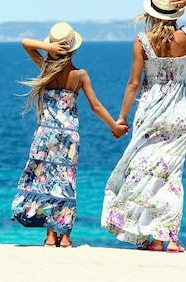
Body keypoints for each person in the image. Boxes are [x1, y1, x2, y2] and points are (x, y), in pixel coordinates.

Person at [101, 0, 186, 252]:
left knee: (144, 173)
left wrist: (121, 118)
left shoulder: (142, 41)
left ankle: (152, 238)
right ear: (177, 11)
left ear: (151, 13)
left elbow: (133, 83)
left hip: (150, 114)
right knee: (172, 177)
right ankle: (171, 239)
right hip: (178, 114)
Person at [12, 22, 129, 248]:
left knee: (47, 181)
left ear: (53, 48)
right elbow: (95, 106)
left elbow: (26, 43)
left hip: (46, 135)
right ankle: (64, 236)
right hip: (69, 137)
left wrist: (49, 47)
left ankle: (49, 236)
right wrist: (114, 127)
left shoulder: (47, 69)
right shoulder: (80, 75)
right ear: (74, 49)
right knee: (66, 181)